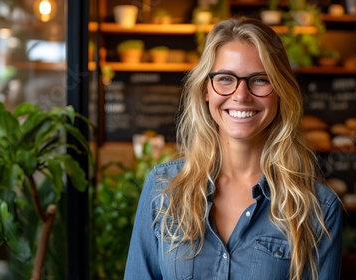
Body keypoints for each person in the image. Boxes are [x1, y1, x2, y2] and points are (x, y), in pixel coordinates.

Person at [124, 17, 343, 280]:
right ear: (206, 89)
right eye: (226, 78)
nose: (241, 95)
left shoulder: (317, 207)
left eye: (260, 80)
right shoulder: (164, 188)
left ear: (281, 91)